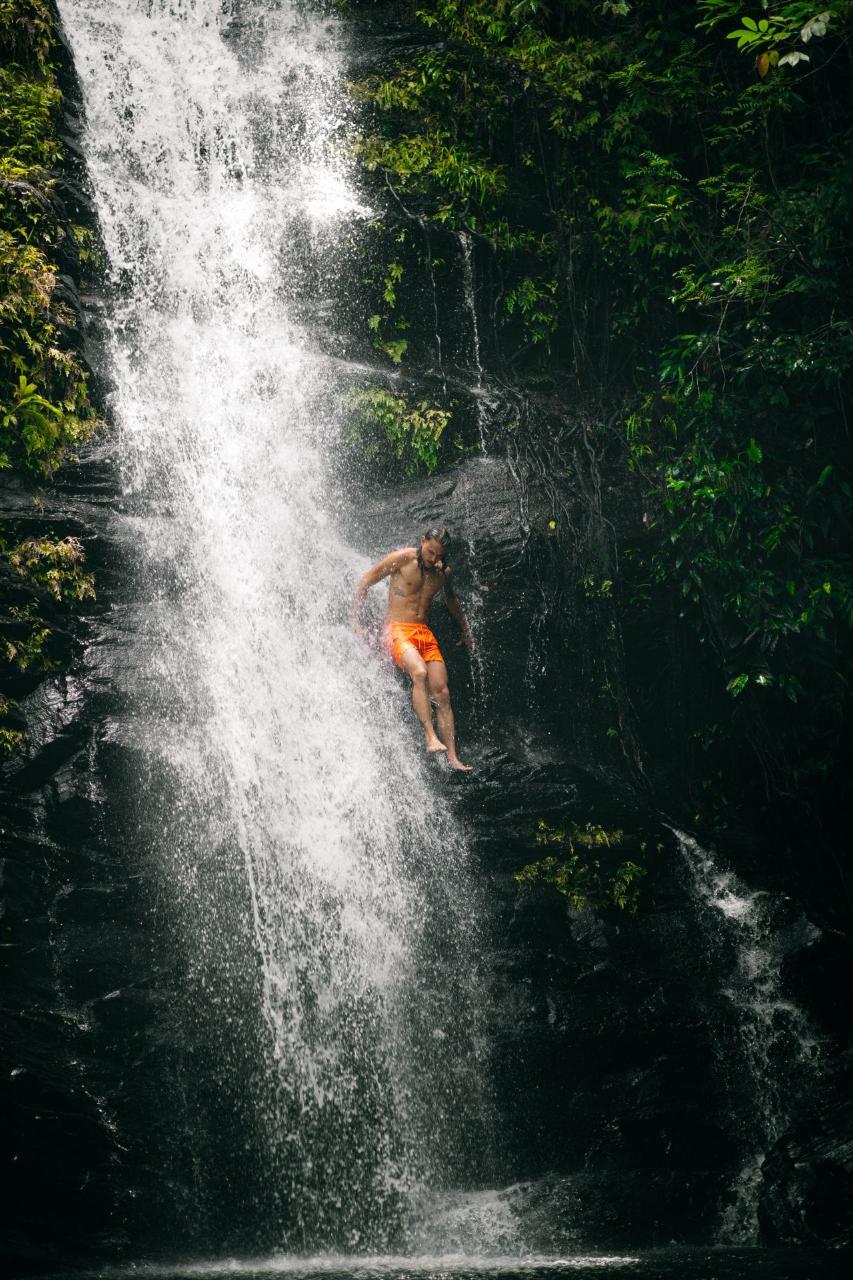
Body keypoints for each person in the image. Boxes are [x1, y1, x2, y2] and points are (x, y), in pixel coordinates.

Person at [351, 526, 474, 771]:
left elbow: (450, 601)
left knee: (442, 693)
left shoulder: (441, 573)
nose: (433, 559)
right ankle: (430, 736)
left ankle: (453, 757)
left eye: (439, 556)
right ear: (422, 541)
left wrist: (465, 628)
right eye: (430, 552)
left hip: (424, 634)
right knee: (419, 673)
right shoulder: (402, 559)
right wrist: (355, 620)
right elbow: (365, 580)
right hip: (397, 630)